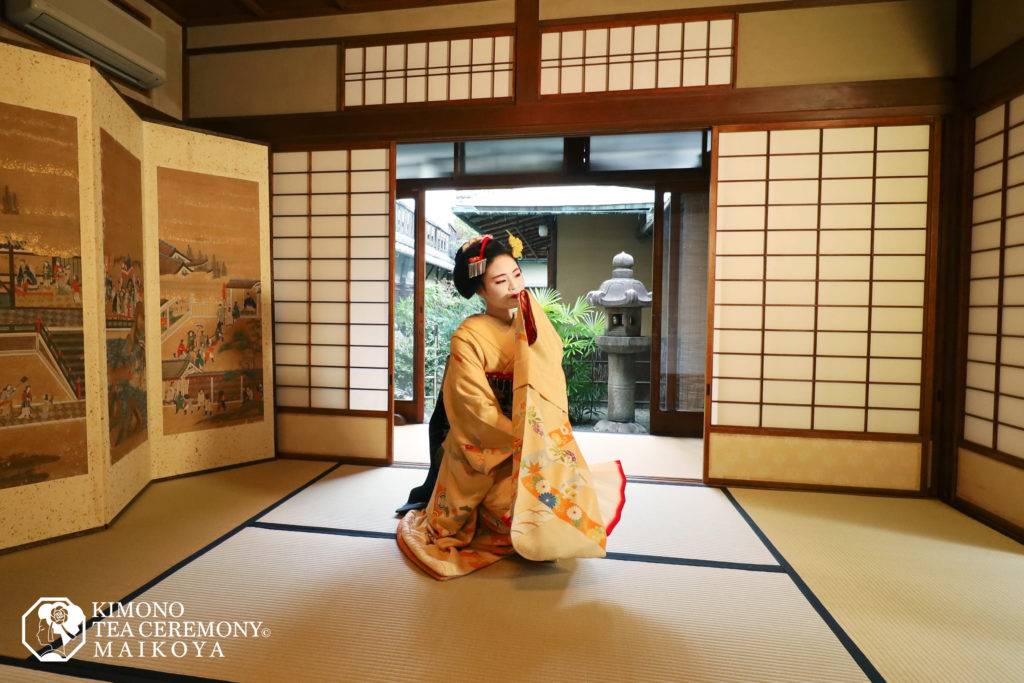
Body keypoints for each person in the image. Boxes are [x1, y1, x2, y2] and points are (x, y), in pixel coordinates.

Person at [396, 235, 625, 581]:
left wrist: (541, 439)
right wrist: (520, 440)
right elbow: (473, 407)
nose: (513, 286)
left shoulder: (531, 319)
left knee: (564, 496)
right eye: (499, 281)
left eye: (516, 275)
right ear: (481, 291)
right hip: (487, 449)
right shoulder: (468, 336)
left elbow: (548, 380)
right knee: (519, 513)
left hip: (527, 437)